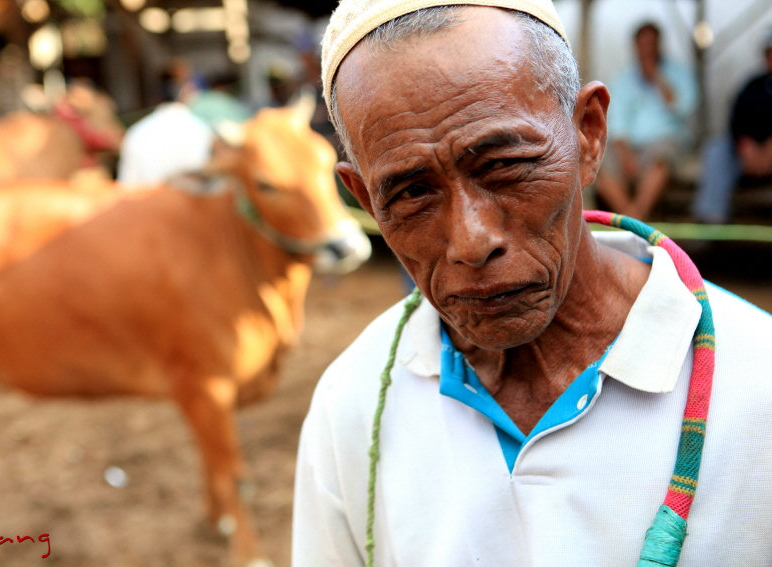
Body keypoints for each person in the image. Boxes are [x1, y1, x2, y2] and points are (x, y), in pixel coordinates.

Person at [292, 2, 772, 566]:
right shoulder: (354, 401)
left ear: (588, 133)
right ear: (365, 199)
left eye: (504, 165)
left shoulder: (757, 383)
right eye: (412, 192)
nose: (471, 241)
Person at [594, 22, 698, 220]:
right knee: (599, 165)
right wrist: (625, 154)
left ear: (660, 45)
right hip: (630, 145)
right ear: (635, 47)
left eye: (651, 44)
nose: (647, 49)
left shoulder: (678, 73)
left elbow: (685, 109)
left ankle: (634, 221)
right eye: (643, 44)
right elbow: (617, 123)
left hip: (666, 140)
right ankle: (633, 219)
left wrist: (657, 79)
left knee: (661, 161)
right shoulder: (623, 79)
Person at [693, 35, 772, 224]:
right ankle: (711, 219)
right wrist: (745, 147)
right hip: (748, 156)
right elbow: (737, 120)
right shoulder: (752, 85)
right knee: (716, 148)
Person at [117, 61, 214, 185]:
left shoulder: (137, 132)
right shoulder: (201, 130)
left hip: (150, 203)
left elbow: (127, 186)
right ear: (186, 91)